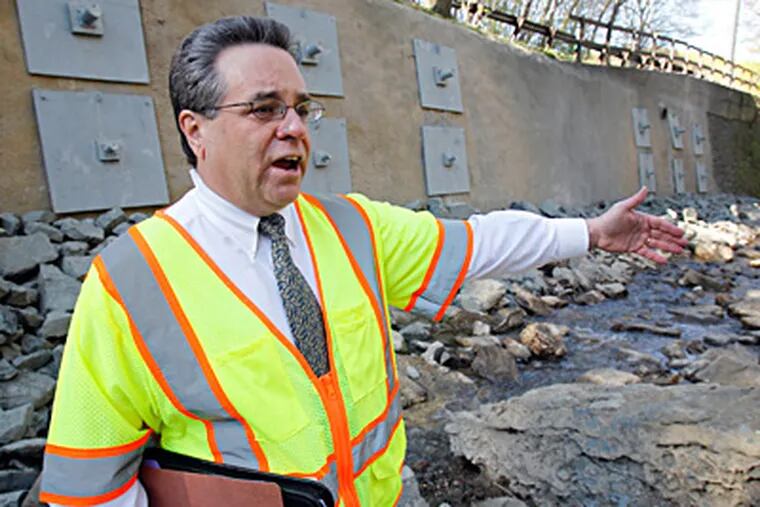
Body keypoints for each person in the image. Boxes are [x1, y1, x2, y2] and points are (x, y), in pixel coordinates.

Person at [39, 15, 687, 507]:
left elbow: (475, 242)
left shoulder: (352, 227)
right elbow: (87, 488)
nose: (294, 128)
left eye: (301, 108)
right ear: (195, 129)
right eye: (264, 109)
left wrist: (588, 233)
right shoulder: (129, 282)